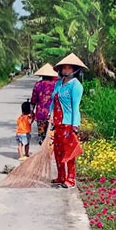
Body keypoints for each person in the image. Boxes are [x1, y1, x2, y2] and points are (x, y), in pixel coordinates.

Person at [49, 54, 87, 188]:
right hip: (57, 123)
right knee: (57, 151)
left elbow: (75, 106)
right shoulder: (58, 83)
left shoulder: (76, 85)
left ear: (74, 69)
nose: (65, 70)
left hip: (68, 123)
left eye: (68, 68)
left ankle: (70, 179)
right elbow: (53, 100)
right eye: (64, 68)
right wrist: (50, 115)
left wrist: (75, 125)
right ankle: (60, 176)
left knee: (69, 151)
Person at [30, 63, 58, 145]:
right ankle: (49, 154)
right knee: (51, 136)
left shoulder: (38, 84)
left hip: (40, 114)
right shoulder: (56, 85)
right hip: (52, 114)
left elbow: (33, 100)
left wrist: (32, 111)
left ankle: (42, 154)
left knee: (42, 136)